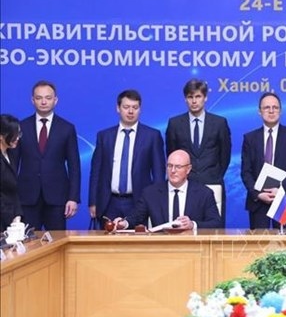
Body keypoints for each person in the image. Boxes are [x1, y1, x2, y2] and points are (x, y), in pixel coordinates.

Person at [88, 89, 166, 226]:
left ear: (140, 109)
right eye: (126, 107)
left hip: (139, 202)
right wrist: (93, 201)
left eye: (135, 108)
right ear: (118, 108)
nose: (130, 111)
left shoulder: (152, 136)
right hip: (109, 202)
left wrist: (156, 203)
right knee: (107, 246)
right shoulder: (104, 136)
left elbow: (158, 173)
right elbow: (96, 172)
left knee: (137, 246)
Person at [15, 81, 81, 230]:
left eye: (48, 97)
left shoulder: (67, 128)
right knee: (29, 244)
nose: (43, 101)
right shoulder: (21, 127)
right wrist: (11, 198)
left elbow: (74, 166)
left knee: (57, 244)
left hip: (57, 198)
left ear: (55, 100)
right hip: (27, 197)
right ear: (32, 100)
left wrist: (73, 198)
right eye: (39, 98)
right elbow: (13, 164)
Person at [165, 79, 231, 222]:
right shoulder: (175, 124)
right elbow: (172, 154)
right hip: (185, 184)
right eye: (190, 97)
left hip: (212, 182)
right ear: (185, 99)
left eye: (198, 96)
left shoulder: (219, 123)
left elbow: (225, 155)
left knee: (214, 230)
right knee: (183, 228)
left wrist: (214, 175)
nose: (194, 101)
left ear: (205, 98)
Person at [114, 150, 222, 230]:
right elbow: (136, 217)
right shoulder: (151, 193)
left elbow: (216, 223)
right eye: (170, 166)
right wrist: (124, 223)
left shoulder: (204, 193)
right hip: (161, 248)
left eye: (178, 167)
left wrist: (192, 225)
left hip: (193, 247)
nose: (173, 171)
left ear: (188, 169)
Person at [241, 92, 286, 229]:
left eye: (275, 107)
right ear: (259, 111)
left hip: (284, 198)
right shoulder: (250, 138)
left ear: (280, 111)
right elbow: (246, 171)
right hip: (258, 201)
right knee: (258, 245)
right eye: (266, 107)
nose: (271, 111)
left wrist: (281, 190)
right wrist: (257, 194)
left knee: (285, 246)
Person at [1, 114, 24, 232]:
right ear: (2, 136)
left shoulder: (11, 155)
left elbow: (13, 190)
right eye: (15, 134)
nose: (18, 138)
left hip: (12, 221)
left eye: (19, 134)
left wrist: (17, 216)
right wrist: (9, 218)